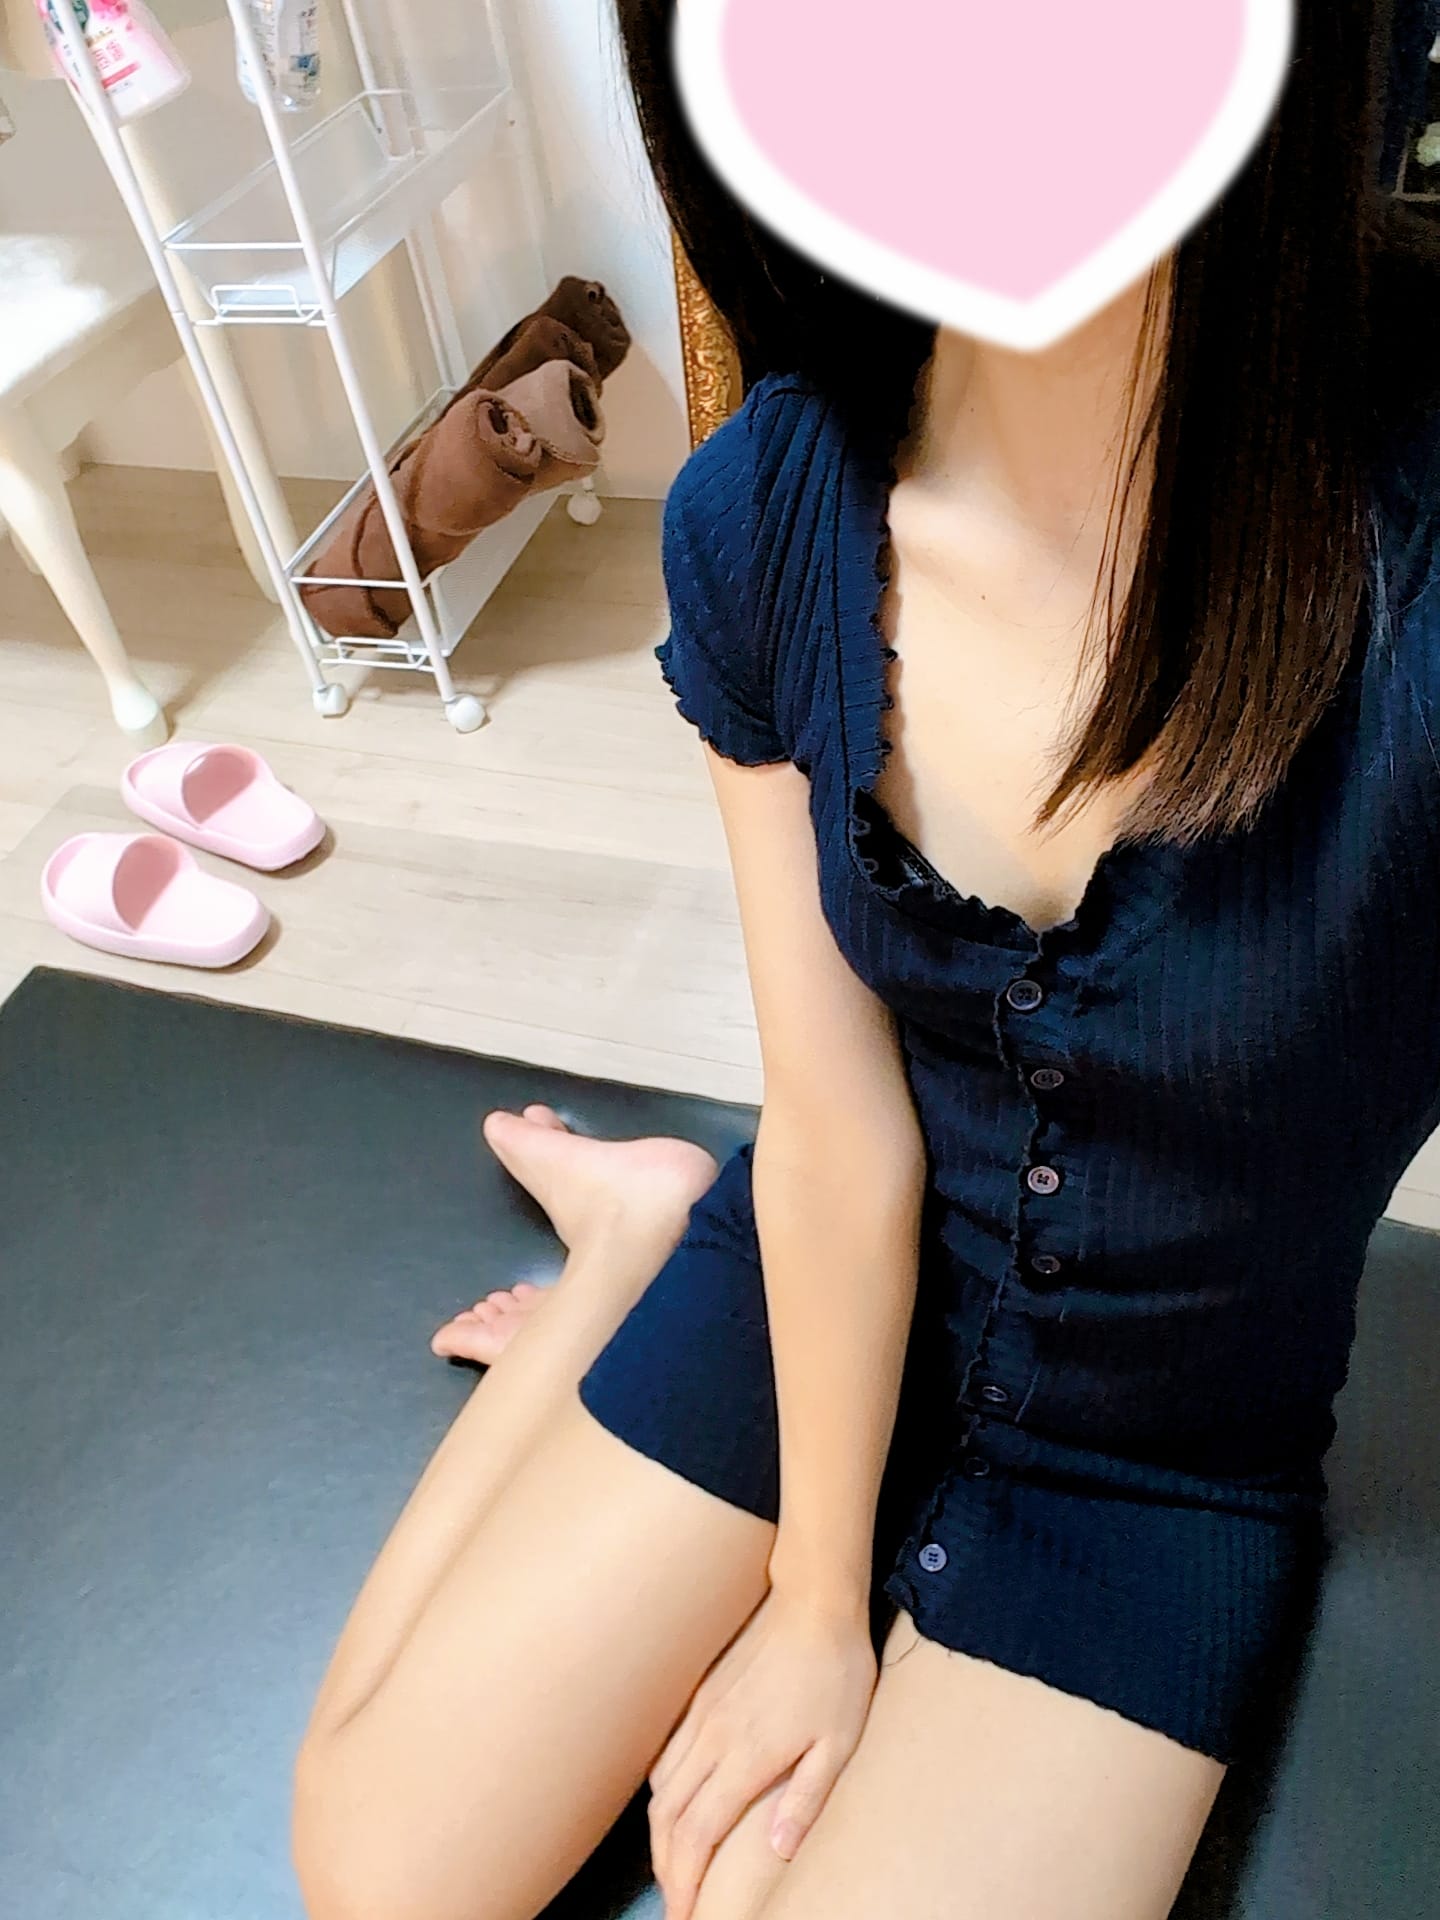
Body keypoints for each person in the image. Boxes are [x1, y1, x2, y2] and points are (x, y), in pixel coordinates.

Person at [291, 4, 1440, 1916]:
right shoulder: (770, 509)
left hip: (1154, 1464)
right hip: (823, 1274)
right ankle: (637, 1240)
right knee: (378, 1876)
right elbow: (833, 1129)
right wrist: (816, 1601)